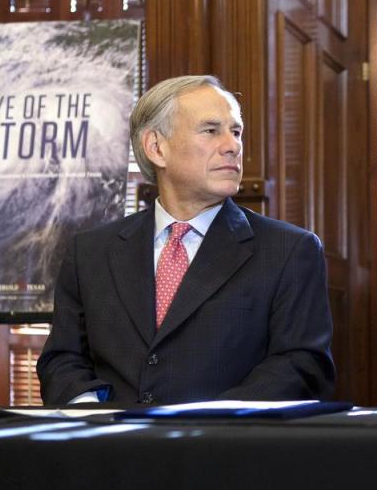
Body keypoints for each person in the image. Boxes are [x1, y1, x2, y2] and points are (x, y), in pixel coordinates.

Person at [37, 75, 335, 405]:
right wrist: (93, 419)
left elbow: (301, 367)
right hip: (111, 450)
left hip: (224, 449)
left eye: (236, 132)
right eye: (211, 130)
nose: (232, 145)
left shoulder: (288, 251)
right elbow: (62, 361)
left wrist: (209, 424)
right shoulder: (90, 253)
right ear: (156, 148)